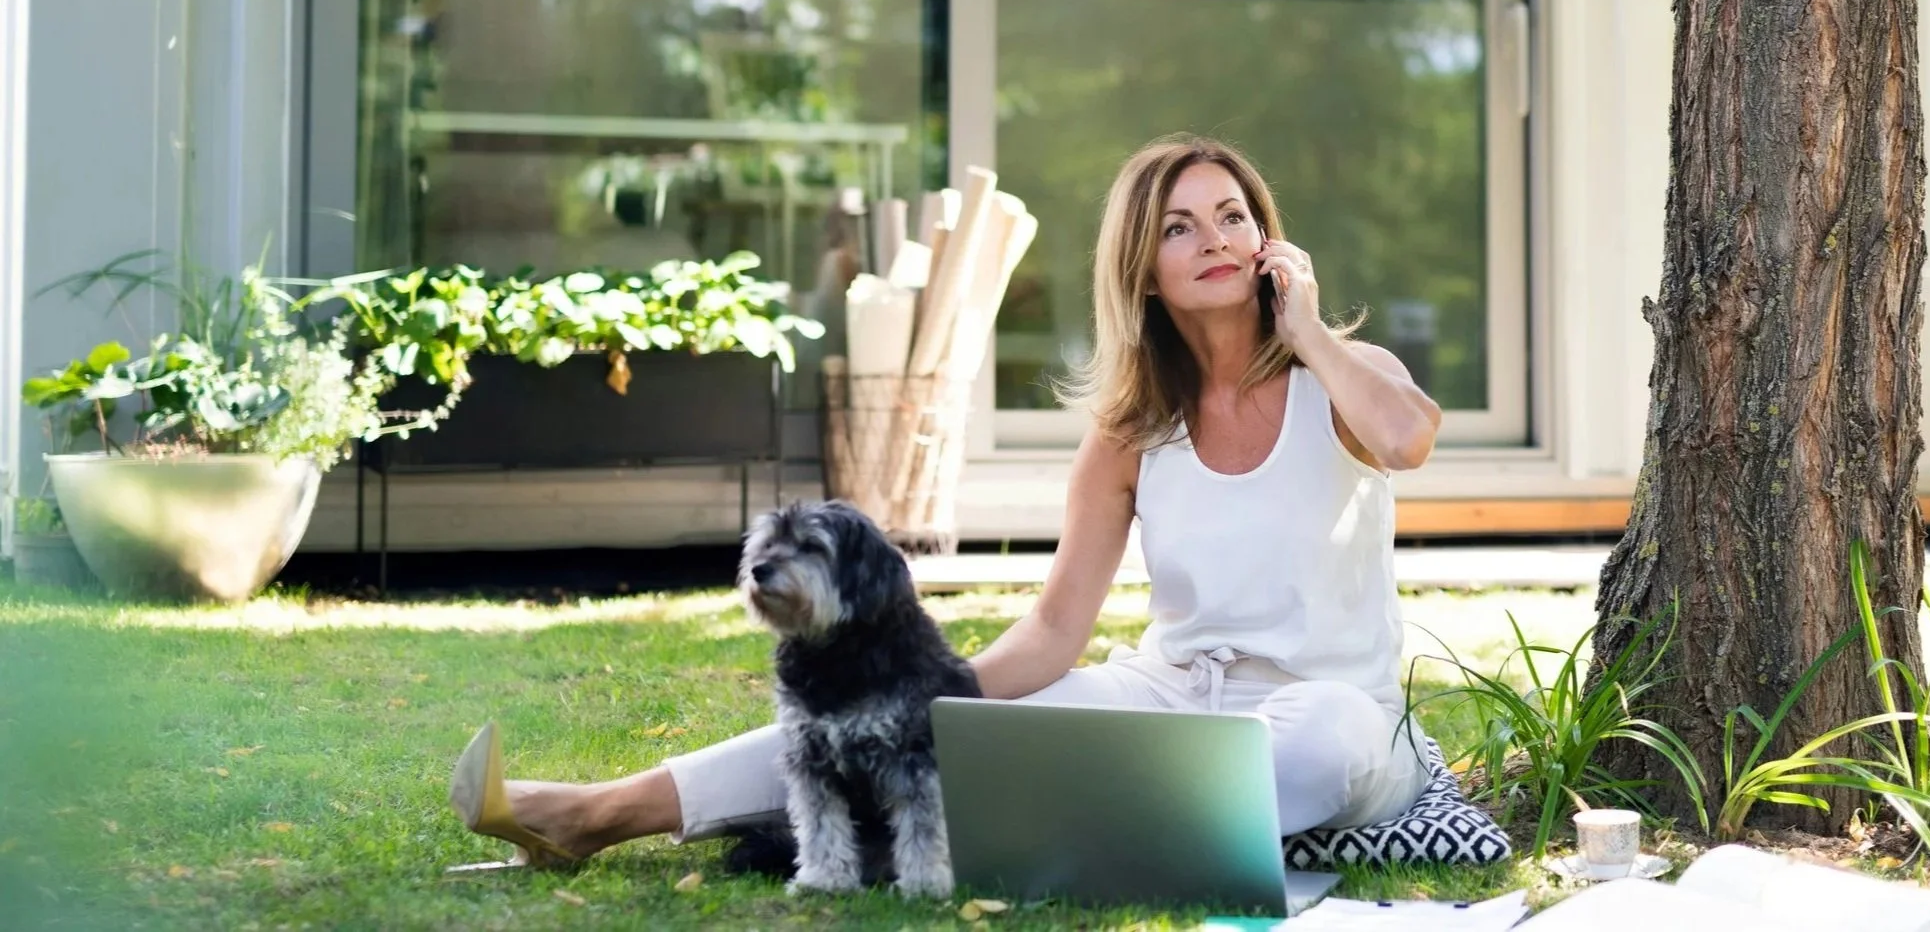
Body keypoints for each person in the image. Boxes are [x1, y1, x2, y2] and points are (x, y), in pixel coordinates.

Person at [449, 135, 1443, 865]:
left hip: (1336, 710)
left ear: (1268, 240)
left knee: (1310, 745)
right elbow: (1057, 627)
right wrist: (932, 700)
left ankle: (977, 828)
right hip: (1169, 697)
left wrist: (1307, 330)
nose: (1213, 239)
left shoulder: (1344, 374)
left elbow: (1405, 439)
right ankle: (593, 813)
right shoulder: (1131, 428)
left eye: (1233, 216)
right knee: (908, 713)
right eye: (1178, 226)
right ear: (1143, 267)